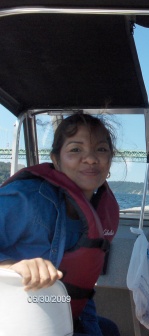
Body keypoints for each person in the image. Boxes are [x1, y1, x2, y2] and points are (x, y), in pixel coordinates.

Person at [0, 113, 121, 335]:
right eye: (76, 149)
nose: (91, 159)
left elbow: (79, 287)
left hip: (64, 314)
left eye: (101, 150)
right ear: (56, 159)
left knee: (109, 330)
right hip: (18, 319)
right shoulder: (26, 199)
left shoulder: (100, 209)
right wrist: (10, 267)